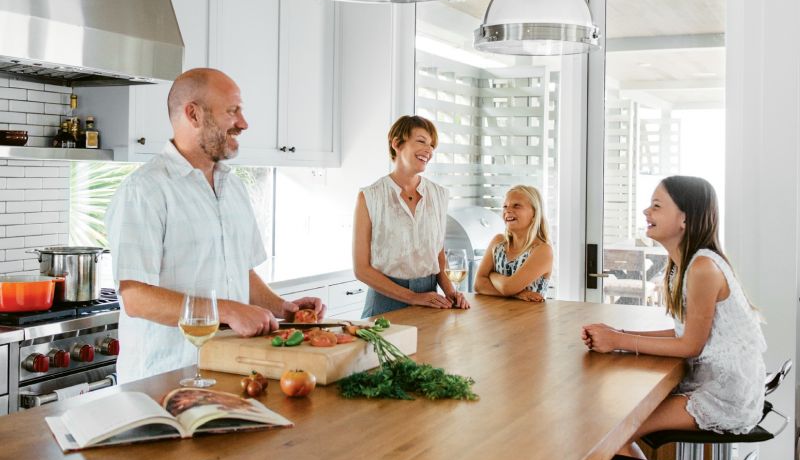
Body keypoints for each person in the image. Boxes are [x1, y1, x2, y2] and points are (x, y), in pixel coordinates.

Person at [581, 175, 766, 460]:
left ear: (685, 218)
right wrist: (619, 338)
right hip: (723, 383)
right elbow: (682, 334)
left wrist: (620, 340)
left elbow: (691, 347)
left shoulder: (701, 268)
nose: (646, 211)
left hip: (724, 393)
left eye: (657, 205)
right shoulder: (691, 263)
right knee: (614, 428)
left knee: (611, 432)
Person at [106, 67, 325, 382]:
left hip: (226, 368)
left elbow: (239, 271)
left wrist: (282, 308)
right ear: (193, 115)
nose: (244, 123)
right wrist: (227, 310)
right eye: (232, 111)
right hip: (162, 380)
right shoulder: (144, 191)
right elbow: (136, 297)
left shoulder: (232, 187)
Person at [352, 115, 470, 318]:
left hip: (430, 298)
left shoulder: (439, 194)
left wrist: (450, 291)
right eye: (422, 141)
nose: (429, 150)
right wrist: (412, 297)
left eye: (432, 145)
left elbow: (437, 254)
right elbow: (361, 269)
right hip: (385, 301)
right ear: (397, 143)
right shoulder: (370, 196)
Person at [473, 185, 554, 302]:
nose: (508, 210)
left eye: (517, 205)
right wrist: (518, 294)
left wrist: (492, 275)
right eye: (505, 206)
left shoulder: (542, 250)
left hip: (530, 318)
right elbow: (478, 284)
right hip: (498, 317)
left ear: (534, 214)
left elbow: (507, 288)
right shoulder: (498, 242)